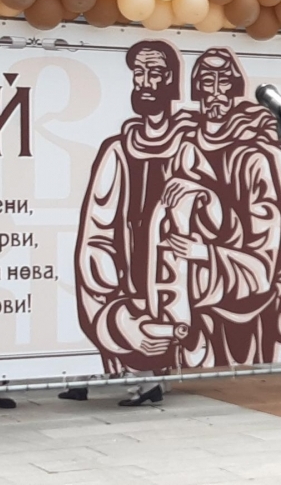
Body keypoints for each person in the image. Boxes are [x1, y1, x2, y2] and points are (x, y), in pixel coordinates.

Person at [69, 39, 196, 406]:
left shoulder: (192, 147)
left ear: (172, 82)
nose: (146, 82)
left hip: (175, 291)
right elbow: (95, 239)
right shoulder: (118, 151)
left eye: (155, 73)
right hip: (127, 289)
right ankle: (107, 379)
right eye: (139, 73)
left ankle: (150, 385)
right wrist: (118, 317)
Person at [161, 47, 281, 366]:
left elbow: (265, 260)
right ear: (197, 89)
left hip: (241, 312)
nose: (216, 91)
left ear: (236, 90)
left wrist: (204, 252)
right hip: (189, 307)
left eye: (225, 81)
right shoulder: (184, 150)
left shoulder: (252, 159)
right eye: (208, 81)